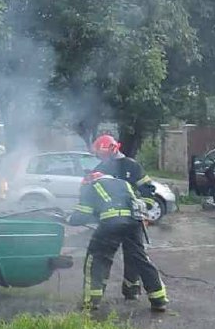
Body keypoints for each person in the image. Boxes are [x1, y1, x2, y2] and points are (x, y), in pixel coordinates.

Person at [67, 171, 168, 312]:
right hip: (134, 223)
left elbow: (82, 214)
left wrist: (69, 219)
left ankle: (91, 301)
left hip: (112, 224)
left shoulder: (92, 186)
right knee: (140, 259)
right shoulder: (123, 183)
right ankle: (159, 299)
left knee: (96, 258)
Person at [91, 134, 159, 300]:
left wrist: (143, 208)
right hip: (110, 222)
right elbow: (93, 195)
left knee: (134, 256)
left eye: (104, 154)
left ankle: (131, 289)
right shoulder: (100, 169)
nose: (102, 158)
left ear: (114, 149)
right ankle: (97, 295)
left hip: (132, 220)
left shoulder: (131, 166)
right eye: (100, 155)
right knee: (104, 256)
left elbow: (148, 189)